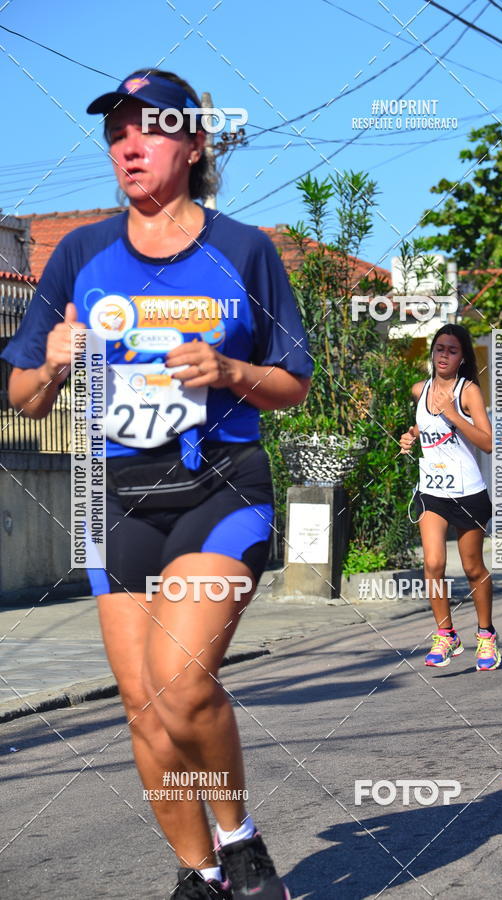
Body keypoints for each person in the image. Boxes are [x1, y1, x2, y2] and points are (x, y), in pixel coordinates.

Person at [2, 69, 312, 899]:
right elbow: (21, 395)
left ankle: (242, 843)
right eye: (116, 131)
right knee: (142, 705)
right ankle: (198, 873)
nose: (129, 144)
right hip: (114, 498)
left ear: (197, 144)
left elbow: (294, 383)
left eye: (151, 128)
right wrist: (53, 365)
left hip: (219, 485)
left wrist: (230, 367)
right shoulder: (76, 254)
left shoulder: (244, 250)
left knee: (181, 684)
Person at [400, 324, 500, 670]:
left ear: (462, 358)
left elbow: (487, 442)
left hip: (467, 492)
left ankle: (486, 635)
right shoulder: (419, 389)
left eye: (452, 350)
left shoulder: (467, 391)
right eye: (439, 349)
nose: (444, 355)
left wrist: (452, 413)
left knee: (473, 567)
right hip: (432, 491)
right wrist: (410, 436)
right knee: (433, 564)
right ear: (432, 353)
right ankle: (446, 635)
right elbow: (423, 426)